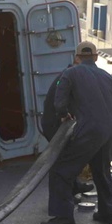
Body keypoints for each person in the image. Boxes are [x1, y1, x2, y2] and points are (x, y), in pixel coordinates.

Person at [41, 41, 112, 224]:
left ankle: (63, 218)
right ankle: (107, 213)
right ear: (95, 57)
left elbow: (59, 103)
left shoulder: (69, 73)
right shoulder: (109, 77)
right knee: (102, 170)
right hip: (111, 129)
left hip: (89, 129)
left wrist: (64, 115)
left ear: (77, 57)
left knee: (61, 170)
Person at [41, 66, 94, 197]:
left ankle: (73, 187)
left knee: (67, 157)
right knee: (62, 161)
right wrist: (64, 114)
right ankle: (63, 195)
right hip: (54, 125)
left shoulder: (66, 76)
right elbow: (60, 103)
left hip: (55, 123)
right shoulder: (66, 79)